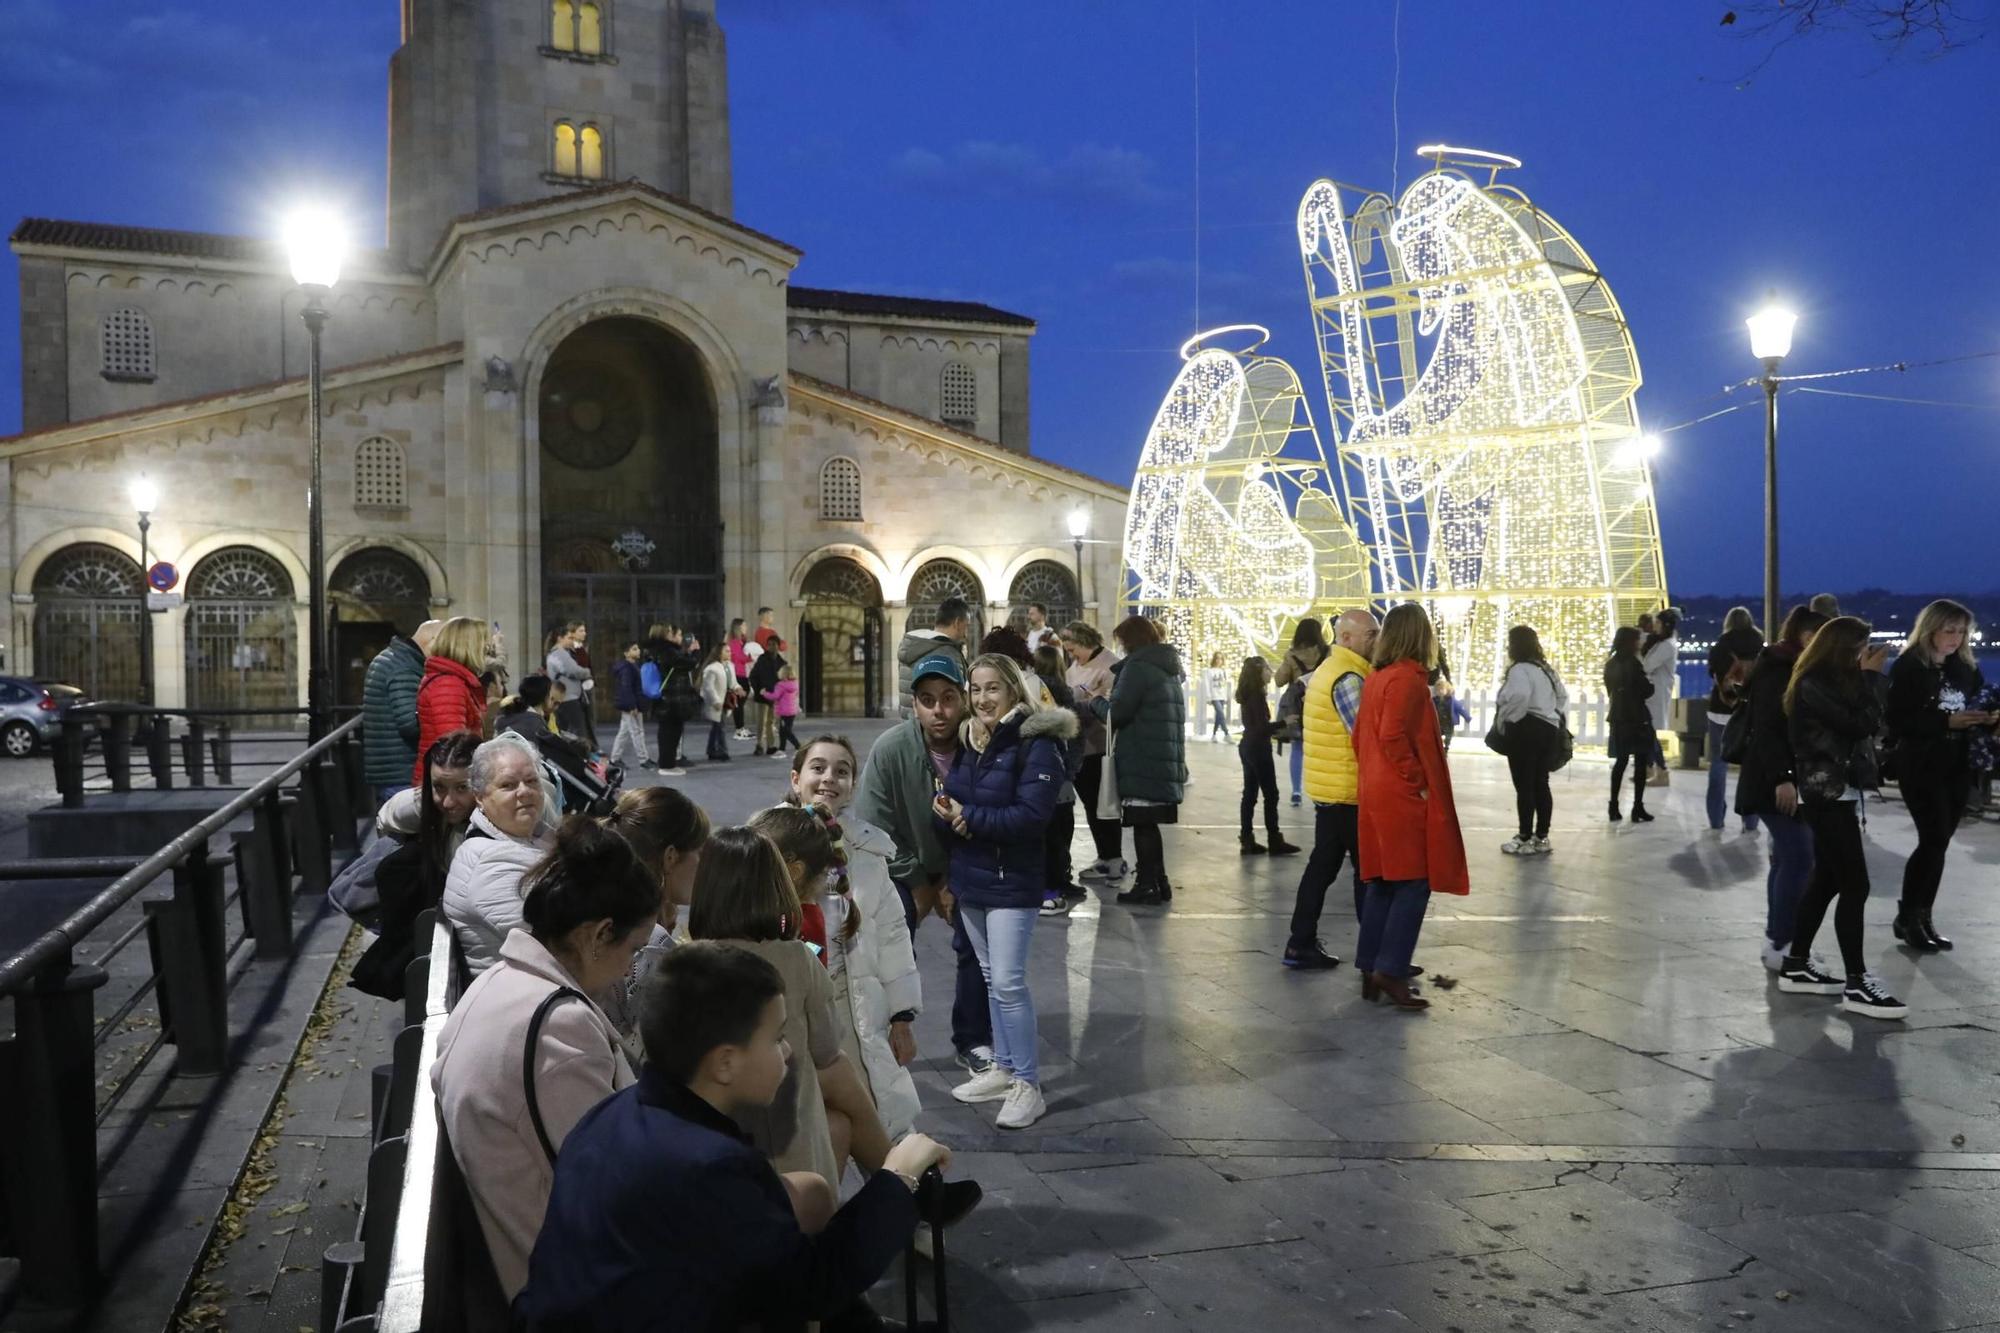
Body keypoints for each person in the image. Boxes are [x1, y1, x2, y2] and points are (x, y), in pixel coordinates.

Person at [513, 944, 954, 1333]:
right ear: (724, 1063)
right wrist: (898, 1175)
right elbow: (812, 1285)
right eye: (776, 1037)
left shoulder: (611, 1115)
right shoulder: (707, 1164)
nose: (787, 1051)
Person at [431, 815, 660, 1299]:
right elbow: (615, 1191)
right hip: (566, 1289)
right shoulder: (558, 1026)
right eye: (634, 949)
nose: (630, 969)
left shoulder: (497, 983)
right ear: (598, 935)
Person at [686, 826, 887, 1195]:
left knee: (840, 1123)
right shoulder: (796, 958)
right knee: (837, 1102)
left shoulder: (684, 965)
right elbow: (827, 1048)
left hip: (716, 1158)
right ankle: (902, 1186)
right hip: (795, 1157)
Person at [938, 653, 1073, 1130]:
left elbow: (1032, 818)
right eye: (975, 689)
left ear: (1014, 690)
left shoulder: (1038, 743)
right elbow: (958, 792)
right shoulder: (974, 739)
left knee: (1011, 982)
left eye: (992, 688)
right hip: (972, 875)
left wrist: (966, 816)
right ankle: (1004, 1067)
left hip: (1011, 881)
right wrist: (948, 806)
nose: (982, 698)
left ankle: (1027, 1085)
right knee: (994, 978)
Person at [854, 653, 998, 1081]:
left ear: (964, 701)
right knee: (887, 932)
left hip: (965, 865)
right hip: (902, 868)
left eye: (949, 698)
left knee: (978, 938)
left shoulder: (983, 747)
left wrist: (951, 880)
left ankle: (973, 1039)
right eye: (927, 699)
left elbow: (993, 819)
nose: (939, 711)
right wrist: (919, 882)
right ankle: (885, 1033)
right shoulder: (891, 749)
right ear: (914, 704)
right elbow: (874, 827)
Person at [788, 737, 924, 1139]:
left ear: (853, 785)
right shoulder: (767, 840)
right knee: (803, 1128)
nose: (829, 778)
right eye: (818, 768)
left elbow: (893, 935)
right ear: (796, 779)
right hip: (790, 1010)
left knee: (879, 1110)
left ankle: (908, 1189)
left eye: (842, 771)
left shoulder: (866, 849)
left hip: (852, 1004)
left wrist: (901, 1016)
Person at [1774, 616, 1905, 1019]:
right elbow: (1861, 723)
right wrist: (1869, 678)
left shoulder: (1826, 684)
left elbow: (1870, 723)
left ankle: (1796, 965)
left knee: (1828, 879)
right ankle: (1857, 982)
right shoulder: (1814, 686)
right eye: (1860, 648)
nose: (1865, 654)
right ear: (1842, 650)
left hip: (1836, 789)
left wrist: (1865, 681)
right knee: (1856, 884)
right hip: (1826, 791)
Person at [1353, 604, 1468, 1010]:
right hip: (1400, 794)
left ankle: (1371, 965)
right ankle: (1392, 968)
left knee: (1383, 879)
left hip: (1376, 789)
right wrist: (1417, 782)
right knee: (1414, 881)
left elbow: (1362, 738)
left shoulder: (1377, 678)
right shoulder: (1407, 680)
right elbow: (1393, 735)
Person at [1885, 598, 1993, 952]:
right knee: (1932, 839)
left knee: (1941, 842)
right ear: (1931, 629)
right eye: (1950, 630)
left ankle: (1923, 915)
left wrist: (1989, 715)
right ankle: (1908, 916)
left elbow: (1981, 696)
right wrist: (1945, 721)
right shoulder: (1909, 667)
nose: (1957, 638)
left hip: (1958, 763)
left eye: (1962, 632)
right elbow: (1898, 721)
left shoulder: (1964, 667)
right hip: (1921, 763)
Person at [1736, 606, 1831, 972]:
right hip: (1774, 781)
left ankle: (1779, 940)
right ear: (1802, 636)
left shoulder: (1795, 666)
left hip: (1785, 779)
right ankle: (1782, 941)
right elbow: (1770, 729)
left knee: (1789, 858)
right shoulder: (1779, 668)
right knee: (1798, 857)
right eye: (1816, 638)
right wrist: (1783, 777)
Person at [351, 729, 480, 999]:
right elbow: (386, 819)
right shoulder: (418, 806)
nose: (448, 801)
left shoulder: (498, 816)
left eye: (462, 788)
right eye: (439, 787)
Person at [1284, 607, 1378, 970]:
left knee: (1323, 866)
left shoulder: (1332, 669)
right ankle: (1375, 955)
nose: (1377, 641)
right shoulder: (1349, 677)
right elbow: (1366, 735)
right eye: (1371, 635)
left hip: (1331, 787)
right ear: (1347, 638)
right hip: (1347, 790)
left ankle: (1300, 942)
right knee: (1367, 871)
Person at [595, 785, 712, 1050]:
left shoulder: (606, 911)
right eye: (700, 853)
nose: (705, 864)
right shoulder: (650, 944)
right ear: (671, 857)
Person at [442, 733, 561, 975]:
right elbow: (555, 945)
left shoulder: (536, 835)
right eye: (508, 785)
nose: (524, 791)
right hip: (528, 998)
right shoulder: (490, 865)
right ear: (480, 797)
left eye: (531, 781)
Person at [1101, 616, 1188, 908]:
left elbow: (1119, 713)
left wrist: (1095, 703)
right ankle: (1159, 882)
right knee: (1149, 824)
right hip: (1161, 759)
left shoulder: (1138, 668)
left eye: (1123, 642)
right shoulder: (1167, 669)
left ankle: (1147, 884)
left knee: (1143, 826)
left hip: (1142, 759)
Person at [1062, 621, 1127, 885]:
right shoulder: (1076, 667)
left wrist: (1087, 701)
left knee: (1103, 805)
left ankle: (1113, 858)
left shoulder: (1109, 666)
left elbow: (1110, 706)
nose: (1070, 655)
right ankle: (1104, 856)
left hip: (1099, 746)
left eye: (1073, 648)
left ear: (1085, 641)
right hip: (1080, 746)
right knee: (1090, 804)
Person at [1494, 625, 1567, 856]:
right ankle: (1541, 837)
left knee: (1524, 786)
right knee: (1541, 783)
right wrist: (1551, 713)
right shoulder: (1545, 669)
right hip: (1548, 729)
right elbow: (1563, 696)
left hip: (1526, 730)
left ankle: (1524, 836)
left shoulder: (1519, 670)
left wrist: (1508, 718)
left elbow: (1519, 696)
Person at [363, 618, 440, 805]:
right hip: (401, 773)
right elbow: (410, 724)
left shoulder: (394, 658)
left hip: (390, 771)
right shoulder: (404, 667)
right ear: (432, 640)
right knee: (405, 832)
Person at [1706, 606, 1766, 834]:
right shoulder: (1759, 646)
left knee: (1718, 765)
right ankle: (1750, 821)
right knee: (1750, 767)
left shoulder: (1720, 647)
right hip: (1749, 711)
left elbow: (1712, 674)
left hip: (1719, 710)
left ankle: (1715, 820)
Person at [414, 615, 491, 786]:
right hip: (447, 784)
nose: (487, 647)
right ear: (468, 646)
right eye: (483, 642)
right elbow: (454, 747)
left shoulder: (455, 681)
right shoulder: (449, 685)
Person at [1235, 656, 1299, 857]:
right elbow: (1260, 728)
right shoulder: (1257, 696)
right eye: (1267, 669)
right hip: (1258, 748)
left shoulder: (1248, 694)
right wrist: (1283, 723)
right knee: (1271, 794)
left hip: (1247, 746)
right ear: (1258, 673)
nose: (1271, 673)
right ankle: (1274, 838)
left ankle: (1247, 837)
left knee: (1250, 794)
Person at [1275, 618, 1331, 806]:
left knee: (1298, 749)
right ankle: (1321, 791)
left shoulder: (1291, 655)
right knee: (1321, 750)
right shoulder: (1327, 652)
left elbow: (1279, 680)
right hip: (1321, 704)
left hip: (1298, 707)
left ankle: (1297, 791)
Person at [1604, 627, 1656, 823]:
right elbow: (1646, 690)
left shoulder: (1610, 664)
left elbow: (1609, 689)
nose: (1640, 643)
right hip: (1637, 718)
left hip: (1618, 717)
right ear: (1630, 642)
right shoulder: (1634, 663)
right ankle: (1637, 807)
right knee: (1640, 764)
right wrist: (1649, 685)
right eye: (1637, 640)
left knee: (1621, 762)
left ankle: (1613, 806)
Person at [897, 596, 972, 716]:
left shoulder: (912, 645)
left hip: (911, 722)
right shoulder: (949, 653)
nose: (966, 633)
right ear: (957, 623)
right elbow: (959, 696)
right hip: (936, 724)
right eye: (966, 626)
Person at [1640, 608, 1681, 782]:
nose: (1654, 626)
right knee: (1648, 732)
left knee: (1649, 732)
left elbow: (1648, 665)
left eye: (1657, 623)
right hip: (1653, 692)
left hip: (1656, 693)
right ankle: (1652, 768)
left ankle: (1661, 770)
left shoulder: (1666, 646)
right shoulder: (1662, 643)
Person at [608, 640, 655, 775]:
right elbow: (626, 688)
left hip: (632, 704)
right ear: (626, 653)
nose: (638, 651)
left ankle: (615, 758)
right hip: (631, 706)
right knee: (637, 732)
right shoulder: (627, 669)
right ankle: (643, 759)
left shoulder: (631, 667)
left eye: (638, 649)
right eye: (634, 649)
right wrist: (632, 705)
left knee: (624, 732)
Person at [545, 621, 593, 742]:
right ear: (560, 638)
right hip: (568, 698)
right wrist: (587, 672)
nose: (572, 641)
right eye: (569, 638)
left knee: (566, 730)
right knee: (578, 732)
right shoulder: (560, 654)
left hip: (564, 697)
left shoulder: (554, 654)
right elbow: (574, 670)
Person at [749, 636, 788, 757]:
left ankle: (770, 745)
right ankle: (759, 744)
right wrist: (758, 689)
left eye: (774, 644)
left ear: (778, 645)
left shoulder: (782, 662)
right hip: (763, 695)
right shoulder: (762, 660)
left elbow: (785, 679)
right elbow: (753, 675)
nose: (772, 647)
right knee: (762, 721)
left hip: (775, 696)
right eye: (769, 644)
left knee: (771, 721)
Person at [697, 641, 734, 763]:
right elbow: (708, 687)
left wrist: (737, 688)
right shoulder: (712, 668)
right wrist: (715, 701)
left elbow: (732, 682)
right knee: (720, 726)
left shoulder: (729, 666)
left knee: (716, 727)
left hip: (726, 700)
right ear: (719, 653)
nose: (729, 653)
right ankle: (723, 751)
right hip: (717, 701)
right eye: (726, 651)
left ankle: (711, 749)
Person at [727, 617, 753, 738]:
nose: (746, 628)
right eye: (744, 626)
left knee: (740, 703)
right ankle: (739, 729)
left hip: (741, 673)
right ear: (738, 628)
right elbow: (738, 657)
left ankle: (741, 727)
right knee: (739, 703)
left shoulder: (739, 642)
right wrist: (750, 657)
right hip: (738, 675)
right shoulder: (735, 642)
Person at [768, 663, 803, 755]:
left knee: (786, 731)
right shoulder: (795, 684)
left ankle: (798, 746)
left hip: (784, 711)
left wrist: (764, 693)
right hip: (792, 711)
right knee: (783, 730)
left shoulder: (780, 685)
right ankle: (782, 748)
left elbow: (775, 696)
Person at [1205, 650, 1233, 743]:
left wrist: (1225, 697)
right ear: (1214, 659)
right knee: (1221, 713)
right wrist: (1208, 697)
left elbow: (1224, 684)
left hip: (1221, 696)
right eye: (1217, 658)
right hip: (1214, 696)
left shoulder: (1223, 671)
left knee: (1218, 716)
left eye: (1221, 658)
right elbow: (1207, 684)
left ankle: (1213, 735)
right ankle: (1226, 734)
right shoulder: (1209, 671)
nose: (1219, 660)